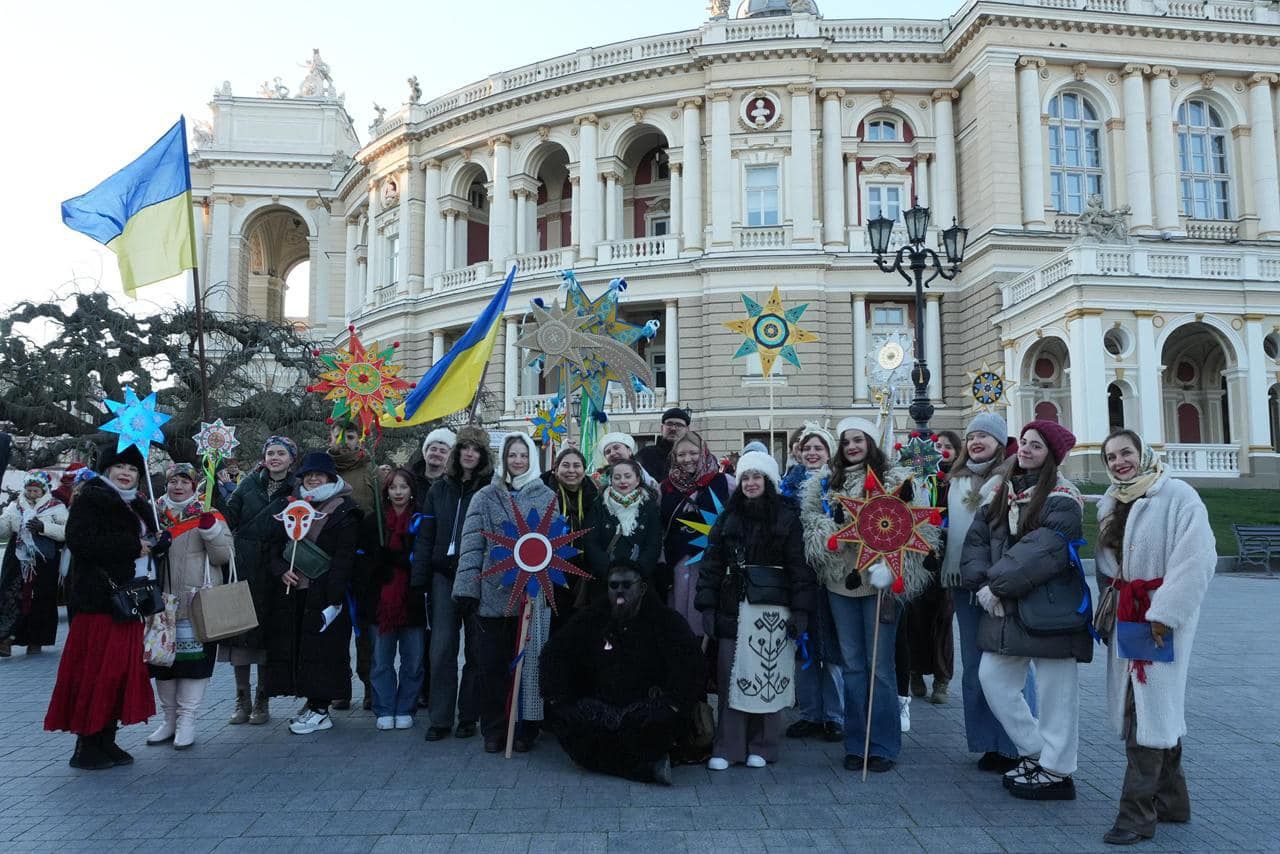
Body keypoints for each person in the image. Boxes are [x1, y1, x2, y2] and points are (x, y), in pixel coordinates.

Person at [1095, 430, 1215, 846]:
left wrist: (1163, 613)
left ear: (1143, 453)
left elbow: (1198, 558)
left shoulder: (1177, 495)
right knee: (1153, 707)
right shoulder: (1114, 500)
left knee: (1143, 711)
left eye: (1126, 452)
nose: (1119, 461)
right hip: (1130, 615)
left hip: (1160, 619)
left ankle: (1135, 816)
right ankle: (1172, 801)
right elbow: (1110, 562)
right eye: (1111, 456)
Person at [960, 420, 1091, 801]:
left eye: (1036, 445)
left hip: (1052, 609)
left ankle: (1058, 770)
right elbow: (976, 542)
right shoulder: (999, 492)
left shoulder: (1064, 497)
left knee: (1056, 693)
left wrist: (994, 585)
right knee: (994, 679)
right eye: (1026, 443)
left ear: (1052, 454)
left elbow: (1043, 550)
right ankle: (1036, 751)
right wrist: (982, 584)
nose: (1027, 451)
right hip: (1006, 605)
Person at [800, 416, 935, 773]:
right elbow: (811, 520)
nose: (852, 447)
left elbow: (913, 529)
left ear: (870, 443)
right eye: (846, 442)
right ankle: (855, 743)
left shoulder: (895, 480)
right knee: (854, 666)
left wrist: (892, 567)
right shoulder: (825, 482)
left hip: (878, 585)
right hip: (839, 583)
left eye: (858, 440)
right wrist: (830, 531)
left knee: (881, 669)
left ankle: (884, 745)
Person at [696, 451, 816, 770]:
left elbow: (799, 567)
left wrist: (801, 611)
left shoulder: (787, 517)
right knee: (731, 675)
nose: (750, 483)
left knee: (766, 675)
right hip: (732, 603)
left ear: (769, 481)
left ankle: (763, 745)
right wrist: (706, 605)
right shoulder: (727, 517)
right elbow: (711, 563)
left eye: (757, 477)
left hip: (773, 607)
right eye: (746, 477)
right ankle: (728, 746)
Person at [45, 445, 162, 770]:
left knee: (118, 674)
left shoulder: (137, 503)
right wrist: (131, 546)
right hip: (99, 602)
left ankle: (107, 737)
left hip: (130, 600)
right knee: (95, 672)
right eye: (120, 466)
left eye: (132, 469)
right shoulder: (92, 498)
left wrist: (156, 543)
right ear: (107, 469)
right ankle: (87, 744)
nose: (126, 473)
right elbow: (80, 542)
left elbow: (146, 541)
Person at [541, 563, 705, 784]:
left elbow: (690, 664)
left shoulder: (666, 621)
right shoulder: (591, 618)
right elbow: (555, 653)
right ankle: (644, 771)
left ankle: (628, 762)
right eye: (614, 585)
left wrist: (673, 703)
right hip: (600, 708)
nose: (620, 591)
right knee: (574, 729)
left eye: (627, 585)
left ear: (643, 588)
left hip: (647, 710)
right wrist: (559, 699)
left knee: (652, 730)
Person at [453, 432, 556, 753]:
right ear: (504, 458)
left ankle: (525, 729)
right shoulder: (486, 496)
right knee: (492, 666)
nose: (518, 460)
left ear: (532, 459)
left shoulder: (546, 496)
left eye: (523, 455)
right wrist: (467, 589)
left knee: (528, 667)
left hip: (531, 597)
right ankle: (495, 729)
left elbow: (553, 543)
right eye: (512, 455)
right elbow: (471, 544)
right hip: (493, 596)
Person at [941, 413, 1030, 773]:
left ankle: (1017, 741)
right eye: (972, 436)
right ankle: (986, 742)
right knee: (974, 665)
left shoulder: (1010, 475)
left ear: (999, 441)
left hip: (997, 584)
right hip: (963, 583)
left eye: (984, 436)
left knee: (1009, 663)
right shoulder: (955, 478)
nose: (976, 441)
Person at [264, 451, 362, 735]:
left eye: (319, 475)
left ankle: (322, 707)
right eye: (309, 475)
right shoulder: (290, 505)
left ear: (330, 477)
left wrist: (333, 596)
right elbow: (272, 545)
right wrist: (281, 568)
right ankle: (311, 701)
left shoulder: (345, 509)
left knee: (325, 651)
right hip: (294, 590)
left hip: (325, 591)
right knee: (301, 648)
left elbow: (345, 557)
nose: (314, 479)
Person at [412, 425, 491, 742]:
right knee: (442, 648)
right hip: (443, 575)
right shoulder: (439, 489)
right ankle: (441, 717)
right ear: (457, 453)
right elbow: (426, 535)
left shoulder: (490, 488)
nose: (469, 453)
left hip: (478, 576)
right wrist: (421, 575)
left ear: (483, 455)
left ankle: (469, 716)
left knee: (476, 649)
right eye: (464, 448)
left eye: (475, 449)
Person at [146, 463, 233, 751]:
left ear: (194, 485)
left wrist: (210, 530)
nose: (178, 486)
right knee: (162, 661)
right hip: (159, 601)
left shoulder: (207, 513)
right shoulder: (152, 513)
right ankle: (169, 719)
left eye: (185, 481)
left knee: (194, 664)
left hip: (195, 602)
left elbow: (223, 556)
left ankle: (187, 720)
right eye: (174, 481)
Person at [222, 436, 298, 726]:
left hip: (276, 568)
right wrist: (213, 492)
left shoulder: (297, 488)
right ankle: (242, 697)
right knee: (241, 636)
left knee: (267, 637)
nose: (275, 457)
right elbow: (229, 516)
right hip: (244, 565)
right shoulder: (248, 484)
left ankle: (263, 698)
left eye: (281, 453)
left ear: (291, 458)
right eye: (270, 453)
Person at [779, 423, 845, 743]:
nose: (812, 453)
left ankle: (834, 715)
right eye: (807, 448)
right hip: (798, 576)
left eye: (818, 448)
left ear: (828, 453)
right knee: (802, 646)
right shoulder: (786, 486)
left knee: (831, 649)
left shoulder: (837, 483)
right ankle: (809, 713)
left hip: (831, 573)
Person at [360, 467, 426, 732]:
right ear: (385, 491)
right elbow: (362, 562)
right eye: (393, 487)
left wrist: (405, 562)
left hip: (412, 600)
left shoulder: (421, 520)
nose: (398, 492)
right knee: (381, 659)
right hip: (381, 601)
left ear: (411, 491)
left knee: (413, 659)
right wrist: (378, 563)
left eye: (403, 487)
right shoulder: (373, 521)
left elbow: (423, 557)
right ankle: (385, 707)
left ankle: (406, 706)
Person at [905, 430, 960, 706]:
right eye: (937, 445)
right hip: (918, 557)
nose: (942, 450)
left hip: (946, 561)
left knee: (942, 617)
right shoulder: (918, 480)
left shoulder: (960, 483)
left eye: (948, 446)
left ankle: (942, 678)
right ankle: (915, 671)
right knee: (915, 617)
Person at [659, 430, 732, 636]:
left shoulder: (725, 483)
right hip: (677, 562)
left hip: (712, 565)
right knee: (678, 623)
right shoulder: (664, 487)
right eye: (681, 454)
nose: (687, 459)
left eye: (693, 453)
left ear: (703, 452)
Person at [327, 419, 379, 711]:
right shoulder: (323, 470)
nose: (343, 441)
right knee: (335, 627)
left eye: (348, 436)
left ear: (358, 438)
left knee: (364, 626)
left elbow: (378, 510)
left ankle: (369, 683)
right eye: (337, 436)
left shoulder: (370, 469)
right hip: (331, 559)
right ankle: (339, 687)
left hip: (362, 559)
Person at [0, 472, 67, 656]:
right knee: (11, 594)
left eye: (36, 490)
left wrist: (44, 527)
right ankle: (5, 639)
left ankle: (36, 640)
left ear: (43, 490)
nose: (32, 494)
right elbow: (4, 528)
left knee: (41, 597)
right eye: (29, 490)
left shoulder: (56, 507)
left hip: (43, 558)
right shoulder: (16, 506)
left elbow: (66, 530)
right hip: (17, 558)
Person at [542, 446, 599, 619]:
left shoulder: (595, 495)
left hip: (585, 572)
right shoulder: (543, 493)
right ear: (556, 468)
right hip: (551, 572)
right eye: (566, 465)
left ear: (583, 469)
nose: (571, 470)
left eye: (577, 465)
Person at [583, 459, 662, 582]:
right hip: (605, 579)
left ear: (637, 480)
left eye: (628, 476)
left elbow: (654, 543)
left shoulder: (649, 507)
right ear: (611, 480)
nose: (622, 481)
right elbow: (591, 541)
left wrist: (639, 571)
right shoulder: (599, 505)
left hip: (639, 579)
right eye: (617, 477)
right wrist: (608, 571)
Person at [636, 407, 690, 483]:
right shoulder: (645, 455)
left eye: (679, 425)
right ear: (662, 428)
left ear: (687, 430)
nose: (673, 428)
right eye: (669, 424)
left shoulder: (694, 457)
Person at [413, 427, 456, 500]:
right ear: (425, 452)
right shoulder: (410, 479)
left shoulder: (454, 485)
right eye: (433, 449)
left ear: (450, 457)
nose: (436, 453)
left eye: (443, 451)